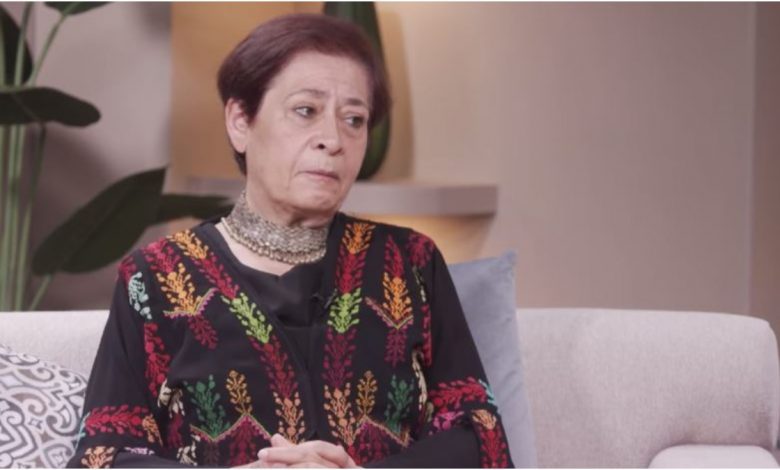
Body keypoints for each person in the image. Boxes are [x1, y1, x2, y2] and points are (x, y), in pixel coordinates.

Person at [67, 13, 514, 468]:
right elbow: (105, 455)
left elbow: (481, 438)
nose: (333, 140)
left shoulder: (410, 262)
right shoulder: (156, 277)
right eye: (306, 111)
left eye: (354, 119)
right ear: (240, 121)